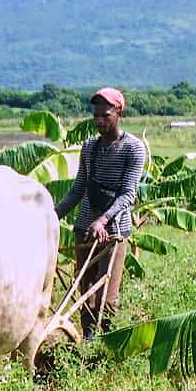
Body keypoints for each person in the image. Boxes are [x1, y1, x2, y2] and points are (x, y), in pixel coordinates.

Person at [54, 87, 146, 340]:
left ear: (118, 112)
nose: (99, 121)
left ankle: (104, 347)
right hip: (85, 228)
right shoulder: (90, 148)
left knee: (107, 297)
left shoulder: (132, 149)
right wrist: (53, 215)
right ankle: (88, 342)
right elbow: (77, 189)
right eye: (96, 116)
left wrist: (104, 220)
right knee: (83, 291)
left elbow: (128, 194)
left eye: (105, 115)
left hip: (113, 234)